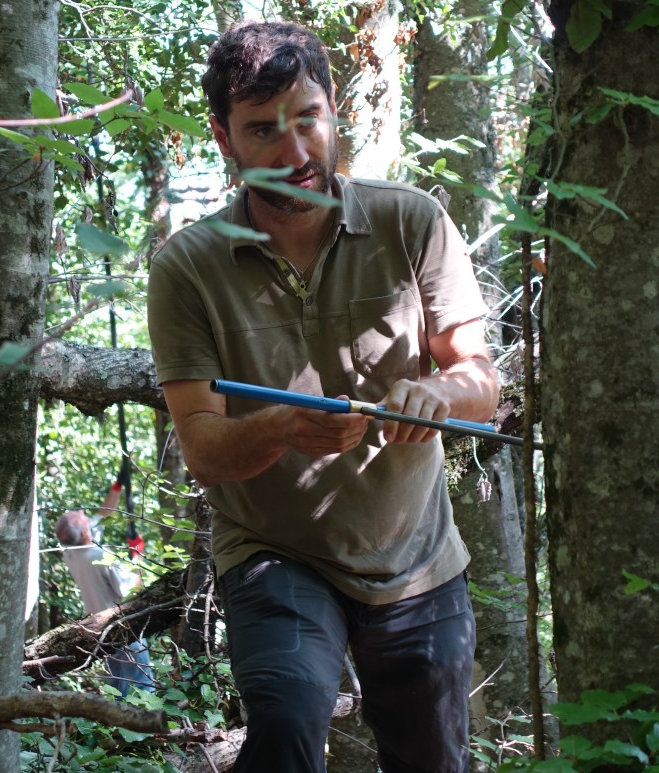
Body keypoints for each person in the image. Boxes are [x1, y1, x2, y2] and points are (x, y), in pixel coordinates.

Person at [146, 20, 500, 773]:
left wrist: (436, 393)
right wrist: (278, 425)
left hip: (415, 558)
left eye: (307, 118)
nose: (294, 152)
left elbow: (481, 379)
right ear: (224, 139)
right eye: (262, 130)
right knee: (285, 722)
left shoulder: (412, 221)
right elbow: (204, 447)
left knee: (433, 758)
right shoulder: (187, 268)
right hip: (275, 551)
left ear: (334, 110)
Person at [54, 465, 154, 699]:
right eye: (84, 519)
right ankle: (146, 733)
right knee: (143, 690)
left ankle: (117, 732)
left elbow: (104, 513)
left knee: (118, 690)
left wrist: (117, 485)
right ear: (85, 532)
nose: (89, 518)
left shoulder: (71, 552)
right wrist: (136, 555)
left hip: (102, 631)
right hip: (127, 628)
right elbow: (132, 590)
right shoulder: (102, 556)